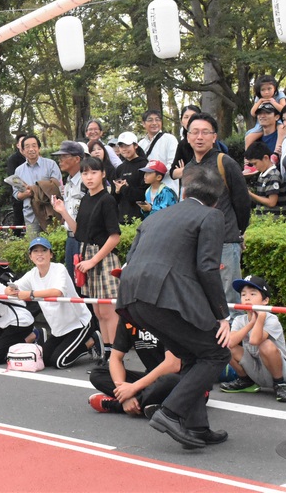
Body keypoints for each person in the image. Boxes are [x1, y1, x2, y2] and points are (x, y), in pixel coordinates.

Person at [117, 165, 231, 450]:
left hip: (133, 298)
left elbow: (130, 262)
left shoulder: (155, 217)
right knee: (217, 354)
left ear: (185, 192)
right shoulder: (212, 216)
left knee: (193, 355)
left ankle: (197, 426)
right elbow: (207, 268)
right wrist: (222, 315)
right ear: (216, 200)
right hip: (166, 297)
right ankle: (169, 413)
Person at [52, 156, 121, 363]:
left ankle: (115, 357)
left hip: (104, 258)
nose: (89, 177)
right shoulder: (85, 199)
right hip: (87, 255)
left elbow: (115, 236)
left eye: (93, 172)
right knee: (98, 311)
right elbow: (79, 232)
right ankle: (107, 355)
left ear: (103, 174)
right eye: (85, 173)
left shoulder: (107, 199)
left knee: (108, 310)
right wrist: (63, 212)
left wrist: (93, 261)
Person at [180, 113, 251, 304]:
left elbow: (243, 203)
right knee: (201, 297)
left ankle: (235, 334)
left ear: (214, 137)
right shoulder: (187, 168)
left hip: (225, 241)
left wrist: (238, 232)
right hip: (196, 242)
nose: (199, 137)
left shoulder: (225, 162)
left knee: (229, 298)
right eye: (194, 132)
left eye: (205, 132)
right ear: (187, 137)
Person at [6, 237, 98, 368]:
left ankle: (92, 341)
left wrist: (30, 294)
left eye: (44, 250)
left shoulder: (59, 269)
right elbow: (12, 287)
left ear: (51, 254)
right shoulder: (32, 274)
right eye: (35, 251)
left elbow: (58, 292)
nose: (40, 254)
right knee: (45, 360)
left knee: (59, 362)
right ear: (30, 256)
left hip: (78, 324)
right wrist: (9, 290)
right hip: (58, 329)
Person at [219, 276, 286, 403]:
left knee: (265, 345)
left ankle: (280, 384)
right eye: (243, 295)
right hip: (256, 369)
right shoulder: (240, 320)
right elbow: (230, 342)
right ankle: (246, 381)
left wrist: (259, 318)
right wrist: (250, 323)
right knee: (226, 346)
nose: (247, 298)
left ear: (265, 301)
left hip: (281, 370)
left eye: (253, 294)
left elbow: (255, 340)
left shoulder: (271, 319)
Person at [87, 319, 182, 417]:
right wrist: (124, 393)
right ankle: (150, 405)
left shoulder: (166, 317)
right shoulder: (127, 318)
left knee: (170, 380)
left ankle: (116, 405)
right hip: (150, 379)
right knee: (97, 374)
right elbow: (115, 358)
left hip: (180, 378)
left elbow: (173, 364)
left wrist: (133, 388)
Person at [12, 135, 62, 237]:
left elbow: (57, 187)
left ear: (39, 148)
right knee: (33, 246)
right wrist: (28, 193)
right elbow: (17, 195)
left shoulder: (51, 164)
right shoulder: (19, 170)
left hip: (49, 213)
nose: (31, 149)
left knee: (53, 245)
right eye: (27, 147)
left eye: (34, 146)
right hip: (30, 215)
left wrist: (34, 190)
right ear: (22, 150)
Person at [52, 140, 86, 281]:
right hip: (70, 238)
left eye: (64, 157)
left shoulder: (86, 181)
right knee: (73, 281)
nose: (60, 161)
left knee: (83, 283)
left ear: (77, 159)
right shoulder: (68, 181)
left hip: (84, 238)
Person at [138, 110, 178, 194]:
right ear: (143, 123)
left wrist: (156, 176)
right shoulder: (141, 144)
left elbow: (173, 163)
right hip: (148, 190)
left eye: (157, 120)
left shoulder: (170, 139)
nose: (154, 123)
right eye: (150, 120)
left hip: (168, 188)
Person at [243, 142, 286, 216]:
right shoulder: (263, 174)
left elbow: (272, 202)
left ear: (266, 158)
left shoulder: (273, 176)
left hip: (274, 220)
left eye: (255, 163)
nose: (254, 167)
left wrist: (250, 194)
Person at [111, 131, 148, 223]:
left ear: (135, 146)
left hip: (141, 218)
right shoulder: (120, 168)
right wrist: (117, 191)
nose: (124, 149)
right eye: (121, 146)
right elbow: (115, 198)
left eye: (127, 145)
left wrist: (124, 188)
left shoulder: (145, 166)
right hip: (122, 218)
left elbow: (144, 193)